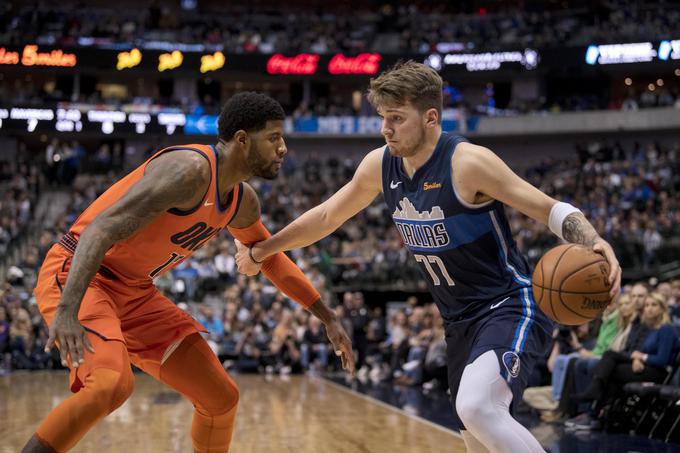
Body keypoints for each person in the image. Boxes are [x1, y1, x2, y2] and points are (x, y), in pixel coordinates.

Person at [234, 62, 621, 453]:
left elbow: (548, 207)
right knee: (478, 439)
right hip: (457, 323)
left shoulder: (468, 162)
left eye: (397, 119)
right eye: (384, 118)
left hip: (508, 305)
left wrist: (593, 239)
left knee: (477, 407)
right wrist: (263, 249)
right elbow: (327, 216)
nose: (386, 129)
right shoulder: (380, 164)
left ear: (431, 117)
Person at [23, 92, 355, 453]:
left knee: (220, 397)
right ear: (242, 140)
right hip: (82, 272)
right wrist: (68, 309)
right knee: (110, 384)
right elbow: (99, 231)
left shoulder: (242, 203)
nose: (284, 148)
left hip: (135, 291)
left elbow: (270, 257)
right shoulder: (189, 171)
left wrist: (326, 316)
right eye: (274, 138)